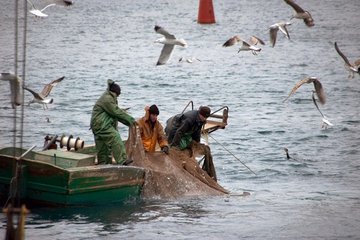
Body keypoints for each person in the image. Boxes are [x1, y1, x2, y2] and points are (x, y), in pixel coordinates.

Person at [165, 105, 217, 180]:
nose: (205, 119)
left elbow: (197, 131)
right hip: (173, 127)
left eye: (206, 117)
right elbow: (179, 132)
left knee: (188, 142)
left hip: (184, 130)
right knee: (179, 145)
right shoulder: (190, 119)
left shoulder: (201, 120)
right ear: (200, 114)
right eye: (204, 117)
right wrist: (174, 146)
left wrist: (197, 143)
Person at [90, 79, 135, 165]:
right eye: (117, 95)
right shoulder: (107, 99)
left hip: (97, 126)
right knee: (115, 137)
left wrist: (128, 122)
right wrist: (131, 121)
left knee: (103, 148)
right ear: (115, 93)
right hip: (101, 125)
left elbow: (115, 114)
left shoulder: (107, 97)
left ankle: (103, 165)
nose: (117, 97)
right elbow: (116, 112)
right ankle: (122, 160)